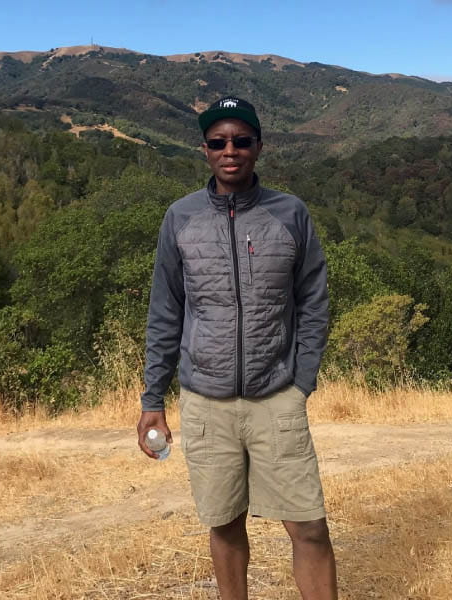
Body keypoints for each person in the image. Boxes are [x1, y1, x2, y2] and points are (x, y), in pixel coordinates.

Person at [137, 96, 337, 599]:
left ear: (259, 147)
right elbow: (165, 311)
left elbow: (313, 300)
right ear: (204, 150)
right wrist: (152, 400)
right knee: (224, 524)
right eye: (219, 142)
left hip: (277, 398)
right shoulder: (180, 218)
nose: (231, 150)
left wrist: (302, 382)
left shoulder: (290, 213)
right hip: (206, 403)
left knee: (308, 527)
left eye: (241, 141)